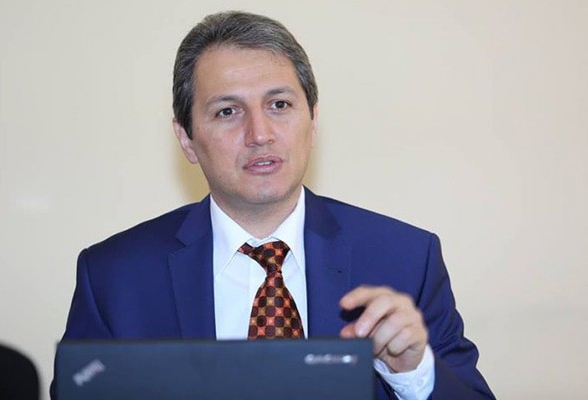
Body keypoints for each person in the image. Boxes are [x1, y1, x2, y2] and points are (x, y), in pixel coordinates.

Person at [54, 11, 494, 399]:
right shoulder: (114, 276)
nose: (260, 133)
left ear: (313, 120)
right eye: (227, 111)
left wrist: (413, 374)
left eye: (279, 104)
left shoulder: (405, 260)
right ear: (186, 138)